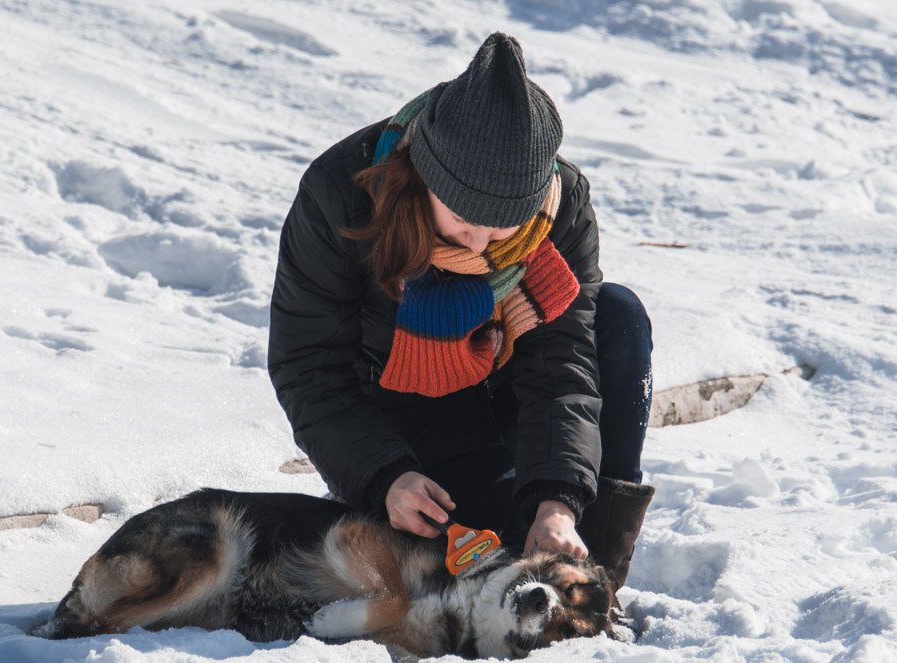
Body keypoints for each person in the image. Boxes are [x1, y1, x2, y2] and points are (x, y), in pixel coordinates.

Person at [268, 32, 654, 590]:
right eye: (463, 222)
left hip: (511, 394)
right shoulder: (341, 194)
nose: (479, 244)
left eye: (503, 228)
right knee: (481, 560)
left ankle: (594, 577)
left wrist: (558, 500)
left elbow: (561, 362)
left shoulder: (562, 202)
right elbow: (308, 366)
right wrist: (386, 477)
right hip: (405, 419)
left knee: (617, 316)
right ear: (423, 178)